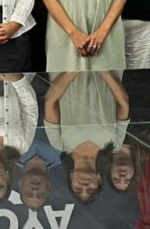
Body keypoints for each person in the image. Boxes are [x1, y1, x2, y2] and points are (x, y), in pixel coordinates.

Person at [44, 71, 130, 205]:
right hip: (107, 67)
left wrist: (75, 68)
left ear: (71, 178)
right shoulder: (115, 145)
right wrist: (104, 71)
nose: (84, 186)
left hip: (65, 67)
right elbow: (123, 103)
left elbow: (50, 101)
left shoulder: (58, 143)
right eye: (90, 189)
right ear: (99, 180)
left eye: (78, 189)